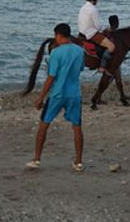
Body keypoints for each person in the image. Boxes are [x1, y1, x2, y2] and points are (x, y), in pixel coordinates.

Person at [26, 23, 86, 172]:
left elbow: (51, 77)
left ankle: (37, 159)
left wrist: (41, 97)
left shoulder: (56, 53)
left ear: (58, 36)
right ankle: (78, 162)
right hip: (74, 93)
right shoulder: (80, 51)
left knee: (44, 124)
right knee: (77, 127)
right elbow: (80, 69)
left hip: (57, 94)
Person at [77, 0, 116, 73]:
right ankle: (102, 67)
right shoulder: (93, 9)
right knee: (111, 46)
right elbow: (98, 26)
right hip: (91, 34)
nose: (98, 0)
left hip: (81, 32)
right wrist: (106, 28)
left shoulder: (83, 8)